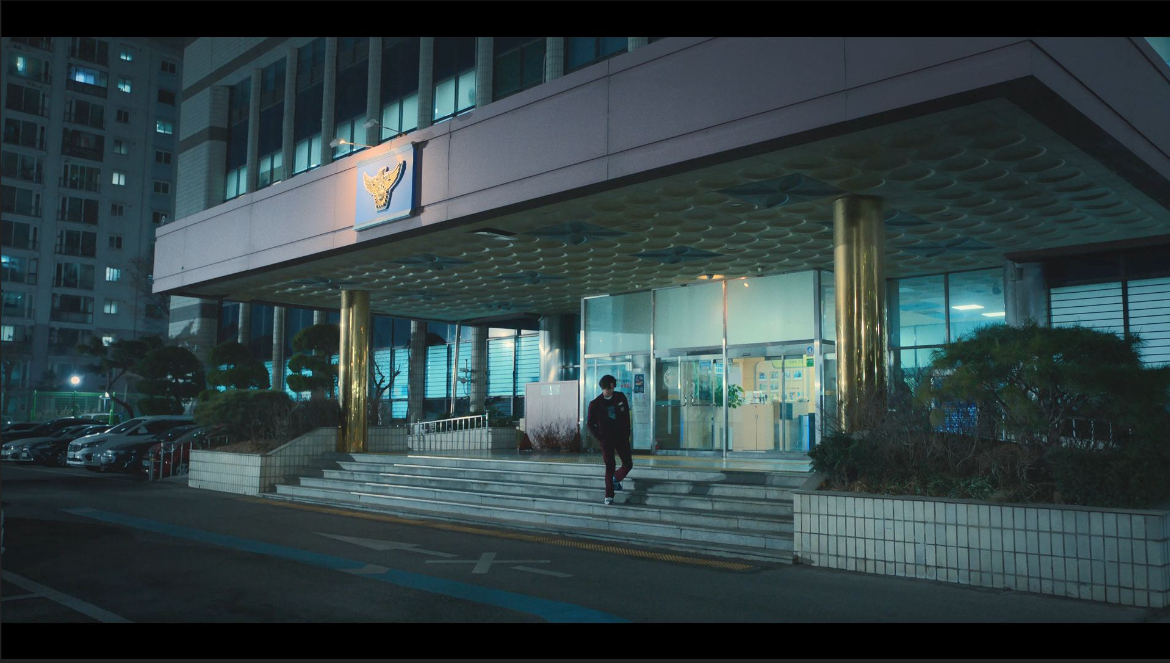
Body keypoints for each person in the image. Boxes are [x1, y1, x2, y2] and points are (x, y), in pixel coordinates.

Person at [586, 374, 632, 505]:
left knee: (628, 464)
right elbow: (590, 424)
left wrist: (627, 432)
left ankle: (615, 479)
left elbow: (626, 416)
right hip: (606, 439)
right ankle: (609, 496)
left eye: (612, 388)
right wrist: (600, 437)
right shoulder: (595, 404)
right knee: (610, 466)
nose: (611, 391)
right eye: (608, 389)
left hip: (621, 437)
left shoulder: (620, 397)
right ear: (603, 388)